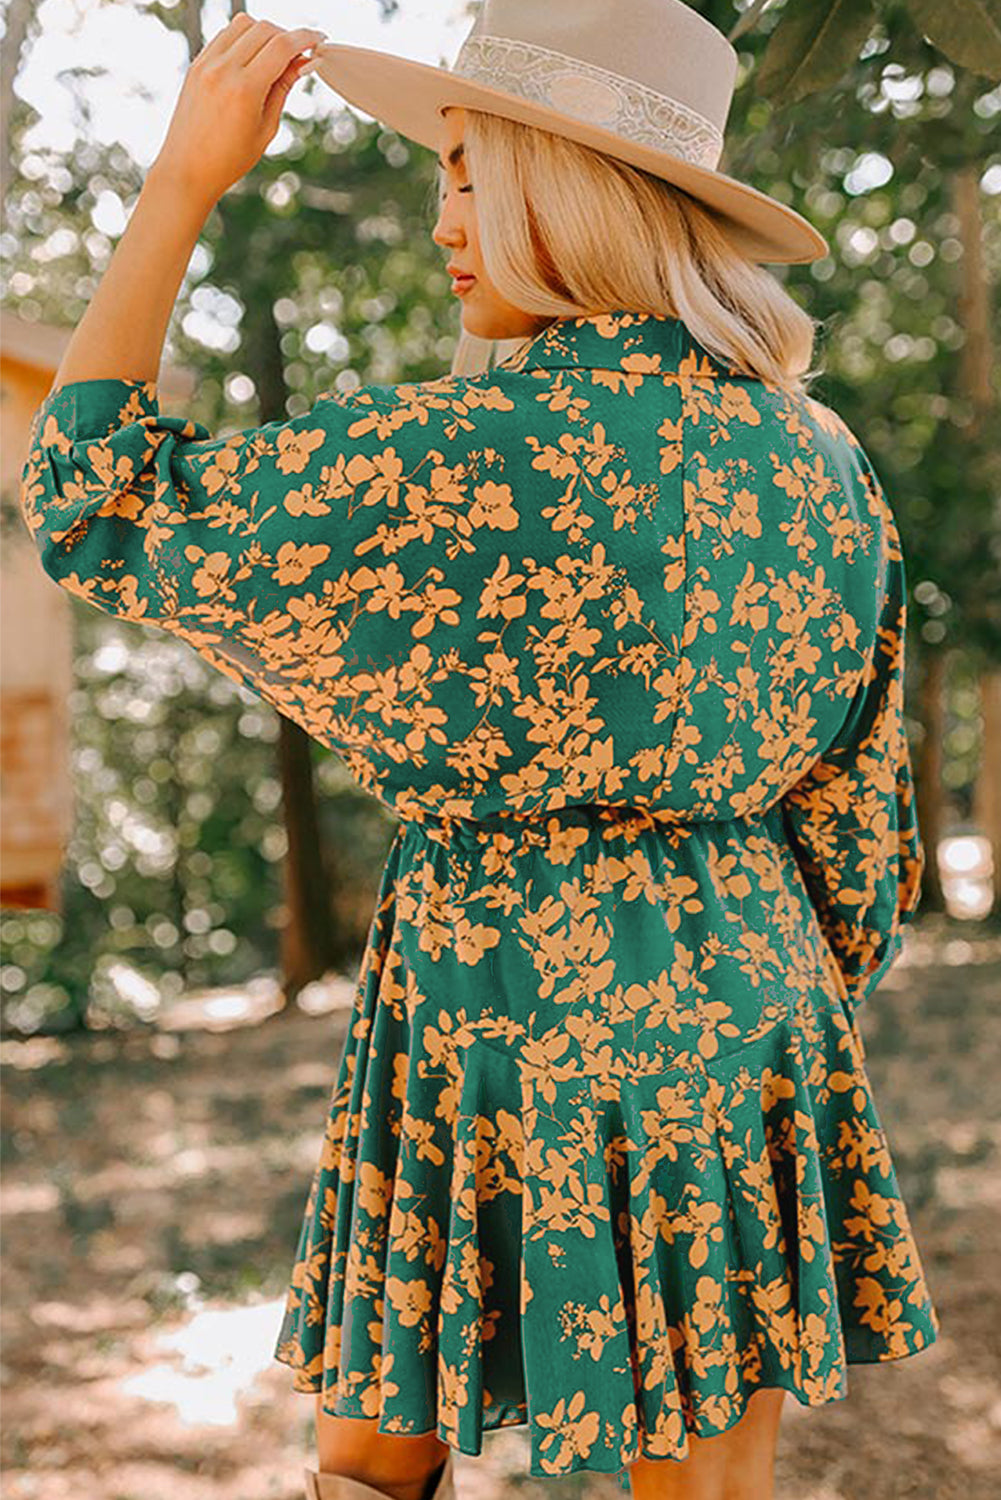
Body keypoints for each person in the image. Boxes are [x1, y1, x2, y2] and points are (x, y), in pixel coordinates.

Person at [17, 4, 939, 1500]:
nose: (443, 222)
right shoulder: (820, 458)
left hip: (483, 984)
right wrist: (766, 1008)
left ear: (557, 192)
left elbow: (94, 498)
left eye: (465, 175)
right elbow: (855, 825)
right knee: (701, 1478)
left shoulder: (457, 455)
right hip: (743, 993)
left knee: (376, 1456)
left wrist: (180, 183)